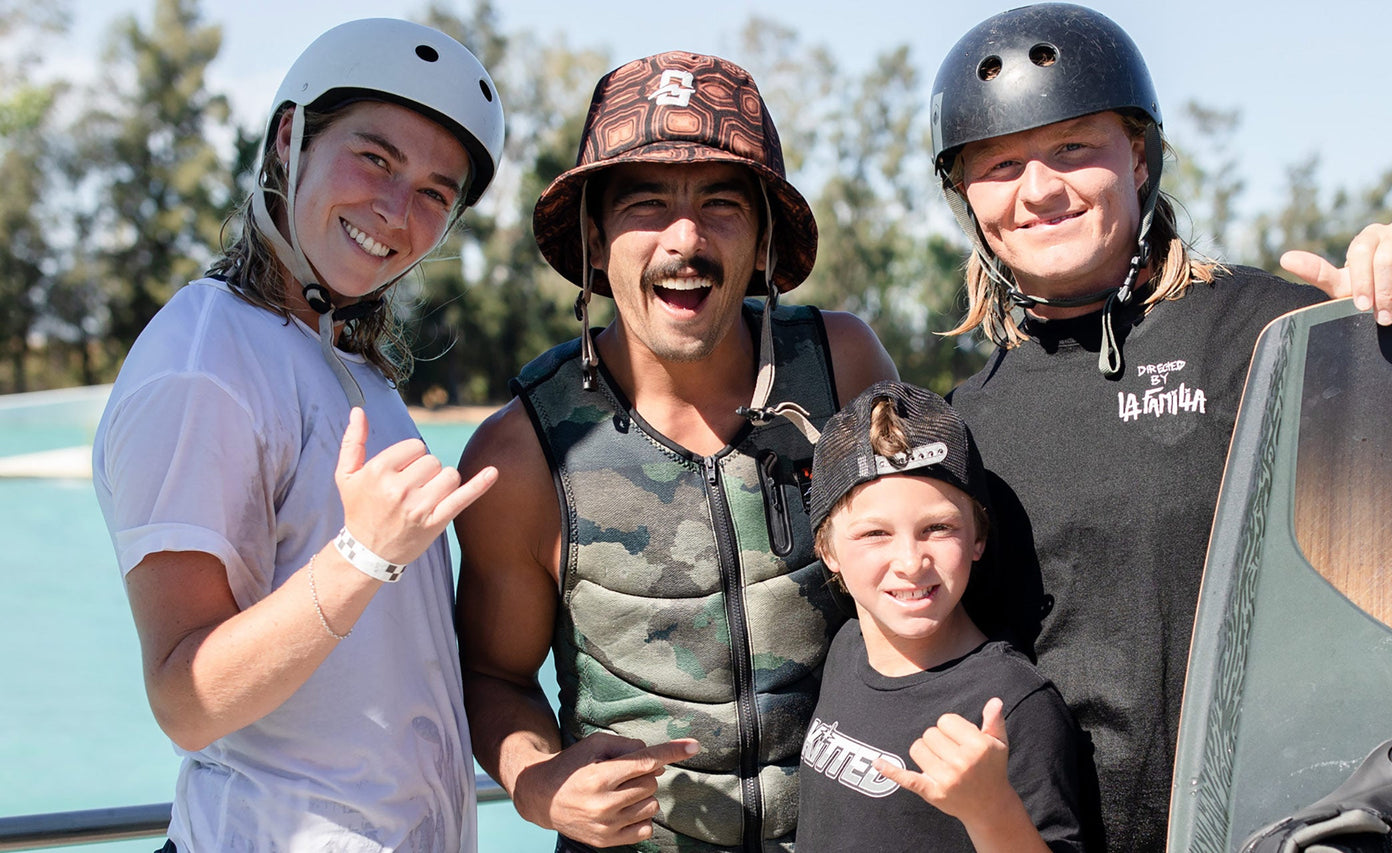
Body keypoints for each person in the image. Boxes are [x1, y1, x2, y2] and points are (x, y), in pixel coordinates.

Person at [926, 4, 1392, 851]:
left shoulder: (1272, 332)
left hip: (1297, 828)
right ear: (966, 196)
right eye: (1000, 165)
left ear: (1138, 155)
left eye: (1074, 147)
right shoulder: (967, 423)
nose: (1039, 189)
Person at [454, 51, 897, 851]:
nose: (684, 239)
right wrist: (539, 784)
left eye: (723, 203)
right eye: (647, 204)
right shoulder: (520, 455)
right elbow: (493, 676)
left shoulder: (845, 372)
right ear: (595, 236)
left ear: (764, 235)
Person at [91, 18, 504, 851]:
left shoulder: (341, 356)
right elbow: (185, 699)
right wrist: (363, 555)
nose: (395, 210)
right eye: (376, 158)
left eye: (434, 192)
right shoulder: (203, 364)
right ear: (290, 138)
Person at [796, 380, 1083, 852]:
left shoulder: (1013, 705)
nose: (910, 561)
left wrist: (991, 811)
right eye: (874, 533)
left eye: (937, 528)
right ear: (826, 548)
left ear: (978, 537)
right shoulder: (845, 647)